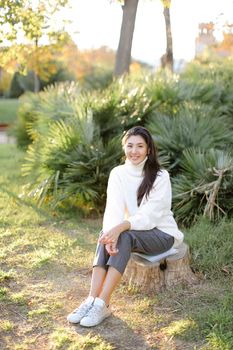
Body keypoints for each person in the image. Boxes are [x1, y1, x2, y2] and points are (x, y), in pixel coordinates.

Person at [67, 126, 184, 327]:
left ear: (149, 149)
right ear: (124, 148)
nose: (134, 151)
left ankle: (103, 304)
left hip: (163, 234)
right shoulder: (118, 173)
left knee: (124, 235)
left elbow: (151, 215)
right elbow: (113, 209)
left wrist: (121, 228)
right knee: (107, 233)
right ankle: (91, 300)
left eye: (140, 146)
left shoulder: (160, 176)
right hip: (135, 231)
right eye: (130, 146)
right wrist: (110, 233)